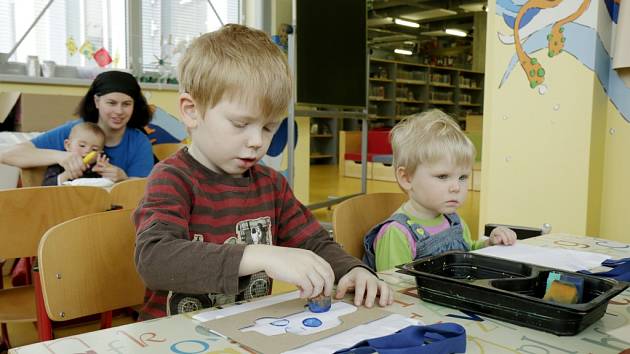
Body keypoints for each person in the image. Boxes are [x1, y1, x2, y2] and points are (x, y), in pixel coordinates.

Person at [133, 24, 393, 320]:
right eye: (241, 124)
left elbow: (314, 242)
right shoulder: (172, 179)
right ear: (192, 111)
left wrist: (353, 269)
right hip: (174, 335)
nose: (258, 141)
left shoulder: (271, 184)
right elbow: (154, 259)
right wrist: (259, 255)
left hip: (243, 330)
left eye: (269, 127)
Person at [363, 110, 517, 272]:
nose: (456, 187)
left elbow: (467, 252)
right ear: (407, 178)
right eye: (443, 176)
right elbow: (394, 287)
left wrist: (489, 244)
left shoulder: (454, 221)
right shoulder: (396, 234)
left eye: (462, 177)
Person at [0, 70, 153, 182]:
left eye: (126, 104)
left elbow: (142, 190)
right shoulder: (75, 131)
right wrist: (62, 156)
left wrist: (123, 179)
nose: (119, 111)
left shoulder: (139, 142)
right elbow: (7, 155)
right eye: (111, 103)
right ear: (97, 101)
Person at [42, 122, 109, 186]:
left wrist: (104, 174)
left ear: (100, 153)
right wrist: (66, 175)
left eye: (94, 149)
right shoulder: (59, 164)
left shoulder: (96, 168)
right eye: (82, 145)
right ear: (68, 145)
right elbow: (46, 186)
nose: (88, 151)